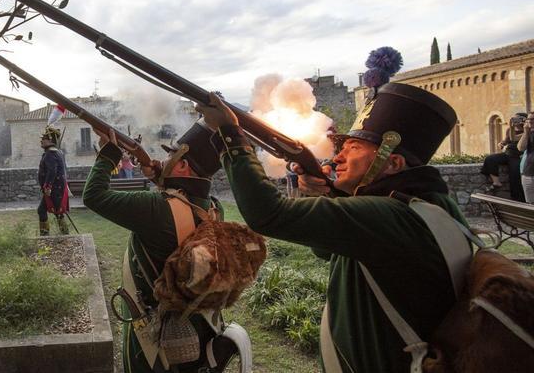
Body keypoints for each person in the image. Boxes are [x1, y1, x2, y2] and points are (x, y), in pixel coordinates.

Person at [196, 81, 469, 373]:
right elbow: (325, 250)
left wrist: (230, 134)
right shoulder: (421, 206)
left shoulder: (392, 214)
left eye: (353, 148)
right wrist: (325, 193)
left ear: (392, 164)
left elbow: (267, 213)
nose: (338, 156)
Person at [83, 122, 249, 373]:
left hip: (153, 338)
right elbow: (180, 202)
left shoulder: (153, 208)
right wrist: (156, 174)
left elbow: (93, 195)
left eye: (171, 155)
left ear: (182, 165)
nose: (165, 158)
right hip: (197, 331)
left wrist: (109, 152)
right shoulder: (214, 208)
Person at [480, 112, 526, 201]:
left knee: (515, 176)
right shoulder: (510, 129)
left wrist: (524, 127)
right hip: (508, 153)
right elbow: (507, 140)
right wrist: (502, 143)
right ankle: (496, 182)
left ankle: (518, 199)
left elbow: (516, 138)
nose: (516, 121)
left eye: (518, 119)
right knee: (490, 159)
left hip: (518, 155)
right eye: (514, 118)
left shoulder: (527, 131)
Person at [37, 126, 70, 235]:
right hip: (56, 188)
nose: (41, 141)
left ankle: (56, 235)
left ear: (50, 140)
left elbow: (52, 172)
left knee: (56, 213)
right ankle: (48, 235)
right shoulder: (56, 152)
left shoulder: (51, 154)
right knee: (50, 211)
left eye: (44, 138)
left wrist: (47, 187)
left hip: (54, 189)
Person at [517, 112, 534, 202]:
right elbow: (521, 148)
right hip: (527, 174)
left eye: (533, 119)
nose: (530, 121)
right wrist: (526, 132)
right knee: (530, 204)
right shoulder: (528, 133)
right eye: (529, 119)